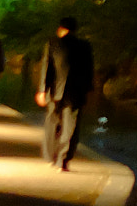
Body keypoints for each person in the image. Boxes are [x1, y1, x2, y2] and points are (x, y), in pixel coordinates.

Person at [35, 14, 94, 170]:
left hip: (54, 92)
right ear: (75, 29)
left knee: (51, 124)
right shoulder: (85, 46)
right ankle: (63, 159)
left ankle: (50, 156)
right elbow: (89, 71)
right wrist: (87, 91)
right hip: (75, 94)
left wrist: (42, 90)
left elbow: (46, 69)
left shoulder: (53, 44)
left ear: (61, 29)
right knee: (70, 128)